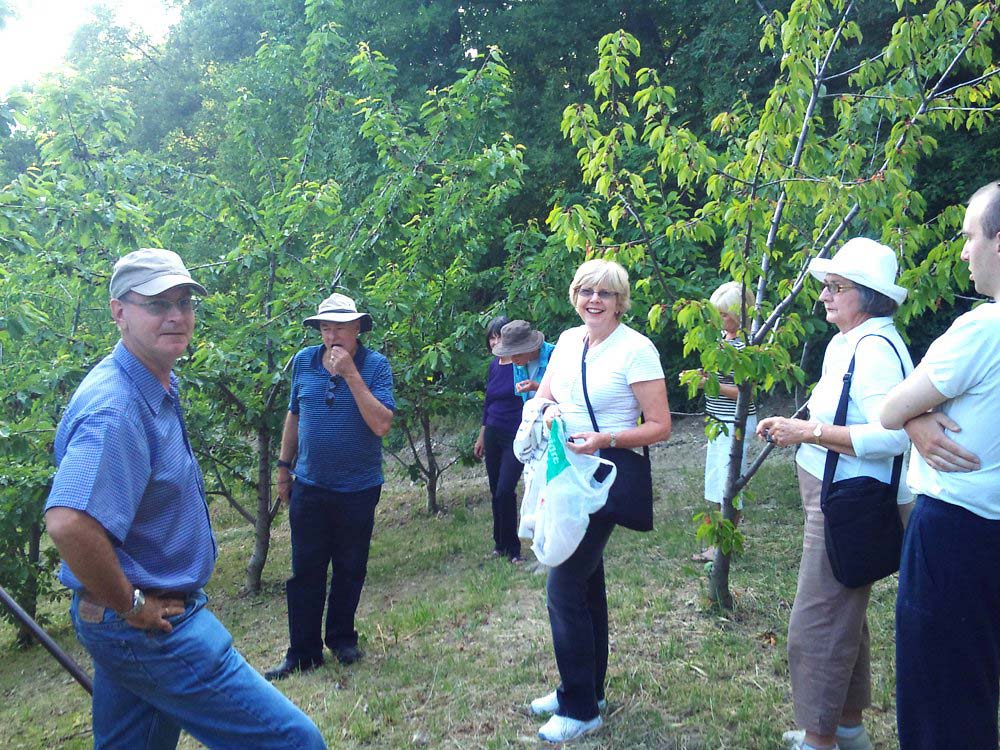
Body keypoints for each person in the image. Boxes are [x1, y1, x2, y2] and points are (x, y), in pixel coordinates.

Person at [44, 248, 326, 750]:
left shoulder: (152, 384)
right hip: (151, 628)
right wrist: (130, 605)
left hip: (129, 623)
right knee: (296, 743)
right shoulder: (116, 409)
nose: (176, 315)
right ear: (118, 312)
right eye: (157, 303)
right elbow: (68, 523)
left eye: (184, 302)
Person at [755, 238, 913, 750]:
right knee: (842, 612)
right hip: (828, 492)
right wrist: (797, 426)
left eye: (836, 286)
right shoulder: (848, 341)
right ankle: (846, 727)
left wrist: (809, 434)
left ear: (867, 295)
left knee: (816, 623)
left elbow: (895, 437)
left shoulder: (874, 351)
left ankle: (819, 739)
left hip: (847, 499)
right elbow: (836, 413)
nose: (824, 294)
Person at [528, 259, 672, 744]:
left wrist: (604, 439)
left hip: (609, 474)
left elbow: (660, 426)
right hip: (566, 472)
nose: (594, 300)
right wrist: (545, 410)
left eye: (605, 294)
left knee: (563, 584)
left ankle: (579, 708)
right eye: (586, 291)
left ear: (619, 302)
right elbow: (547, 393)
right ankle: (589, 689)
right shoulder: (568, 341)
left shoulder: (637, 350)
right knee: (587, 584)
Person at [880, 181, 1000, 750]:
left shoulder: (984, 329)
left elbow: (889, 407)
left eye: (969, 236)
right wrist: (915, 420)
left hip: (959, 534)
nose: (961, 252)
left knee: (945, 705)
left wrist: (912, 416)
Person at [266, 293, 395, 680]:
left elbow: (382, 424)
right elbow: (294, 416)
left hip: (358, 487)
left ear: (358, 328)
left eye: (340, 326)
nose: (332, 334)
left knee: (350, 567)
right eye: (325, 326)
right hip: (310, 484)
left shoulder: (375, 366)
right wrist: (283, 468)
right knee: (305, 571)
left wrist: (351, 376)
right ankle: (302, 653)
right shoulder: (304, 362)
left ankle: (341, 638)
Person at [691, 280, 758, 562]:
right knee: (718, 482)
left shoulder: (746, 345)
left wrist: (712, 384)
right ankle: (720, 541)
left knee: (730, 484)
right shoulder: (721, 339)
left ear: (740, 315)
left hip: (735, 422)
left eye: (726, 314)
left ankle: (723, 546)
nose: (721, 319)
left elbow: (746, 392)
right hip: (717, 420)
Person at [473, 316, 527, 562]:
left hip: (515, 434)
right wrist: (482, 435)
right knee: (495, 491)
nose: (495, 343)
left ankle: (514, 549)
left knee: (506, 490)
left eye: (499, 337)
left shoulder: (520, 363)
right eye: (491, 338)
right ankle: (500, 544)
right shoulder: (494, 366)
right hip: (493, 431)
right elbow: (488, 402)